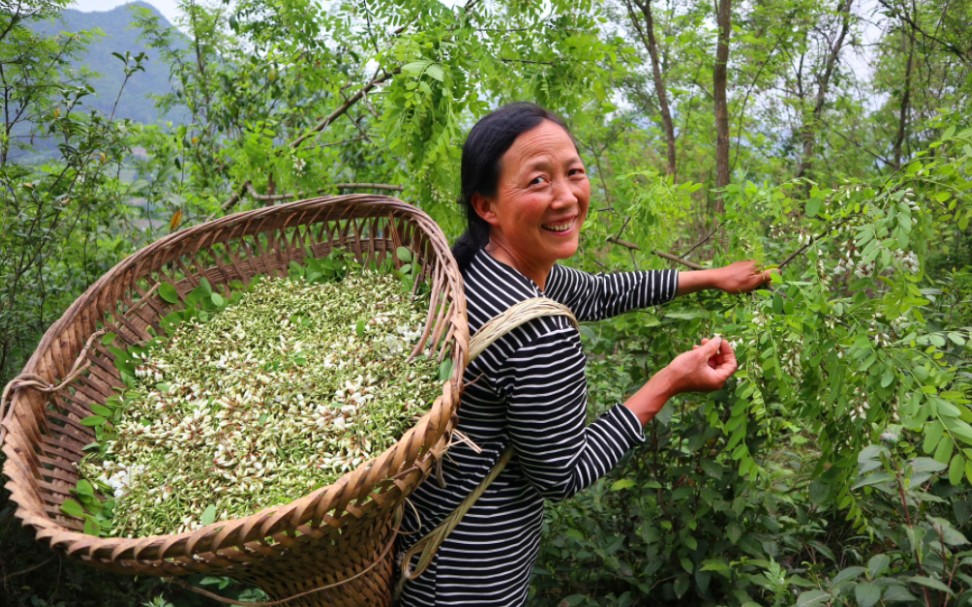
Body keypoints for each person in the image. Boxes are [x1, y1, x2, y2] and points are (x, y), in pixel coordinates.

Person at [395, 102, 773, 606]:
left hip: (418, 555)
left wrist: (711, 278)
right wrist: (668, 383)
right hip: (472, 577)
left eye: (574, 172)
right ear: (486, 206)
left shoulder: (472, 270)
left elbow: (598, 292)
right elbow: (563, 473)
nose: (567, 197)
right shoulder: (539, 330)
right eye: (537, 182)